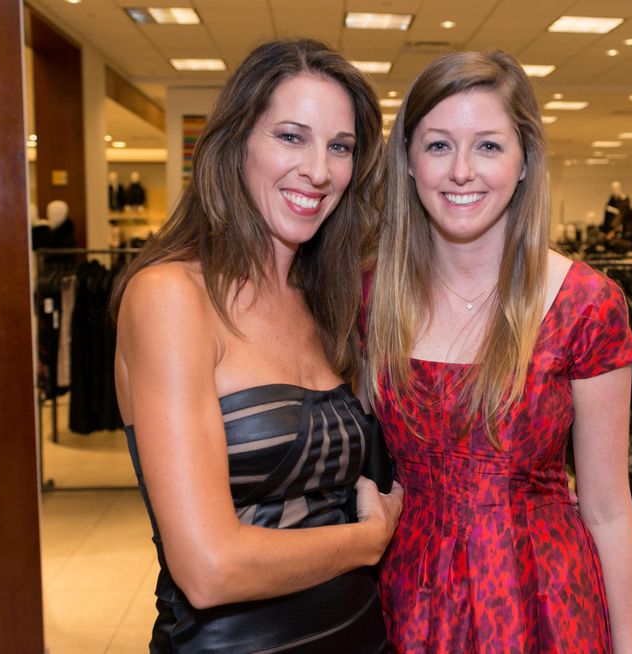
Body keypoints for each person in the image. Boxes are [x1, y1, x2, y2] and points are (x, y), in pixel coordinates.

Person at [111, 39, 403, 653]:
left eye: (340, 147)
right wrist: (367, 540)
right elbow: (210, 568)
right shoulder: (170, 296)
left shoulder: (324, 296)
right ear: (236, 142)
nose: (319, 171)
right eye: (291, 137)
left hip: (362, 635)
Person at [366, 50, 632, 653]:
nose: (461, 170)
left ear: (523, 164)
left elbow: (607, 507)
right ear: (408, 161)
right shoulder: (371, 297)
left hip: (540, 600)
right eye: (438, 145)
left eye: (488, 146)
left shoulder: (585, 303)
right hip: (405, 597)